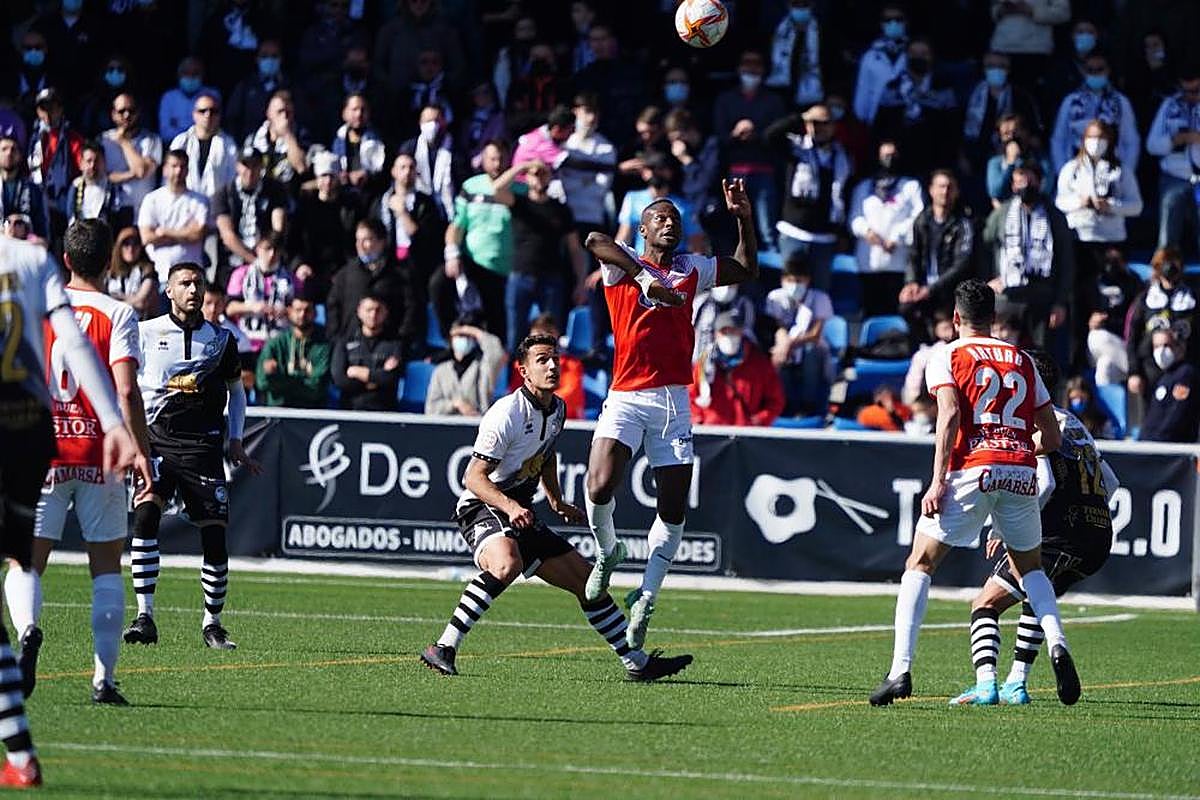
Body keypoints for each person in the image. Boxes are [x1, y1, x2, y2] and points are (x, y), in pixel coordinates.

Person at [419, 333, 692, 681]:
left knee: (587, 580)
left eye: (555, 359)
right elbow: (473, 478)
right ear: (523, 371)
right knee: (507, 565)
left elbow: (545, 457)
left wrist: (556, 500)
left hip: (520, 512)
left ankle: (637, 663)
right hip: (482, 507)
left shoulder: (557, 408)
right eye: (542, 360)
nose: (552, 366)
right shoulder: (506, 414)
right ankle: (443, 647)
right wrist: (511, 507)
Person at [869, 279, 1079, 708]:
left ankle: (899, 671)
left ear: (957, 318)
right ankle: (1057, 642)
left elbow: (947, 415)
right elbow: (1053, 438)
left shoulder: (945, 354)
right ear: (994, 318)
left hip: (971, 468)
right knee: (1032, 569)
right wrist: (1016, 449)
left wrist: (938, 479)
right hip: (1019, 471)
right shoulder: (1022, 358)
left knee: (921, 563)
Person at [582, 179, 757, 649]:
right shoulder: (625, 268)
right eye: (660, 218)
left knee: (673, 507)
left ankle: (646, 596)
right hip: (625, 396)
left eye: (675, 219)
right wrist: (644, 279)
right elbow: (593, 241)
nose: (669, 223)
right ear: (642, 230)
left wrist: (743, 216)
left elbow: (744, 267)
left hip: (673, 402)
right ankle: (607, 552)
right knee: (599, 485)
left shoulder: (690, 268)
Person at [0, 222, 139, 787]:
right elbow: (82, 350)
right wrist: (113, 424)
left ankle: (29, 631)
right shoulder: (34, 263)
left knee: (24, 563)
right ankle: (94, 687)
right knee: (104, 562)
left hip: (31, 438)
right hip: (38, 431)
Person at [951, 348, 1116, 706]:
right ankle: (1017, 682)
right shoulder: (1076, 425)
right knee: (1038, 599)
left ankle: (986, 685)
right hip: (1099, 535)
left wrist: (1004, 529)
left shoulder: (1033, 425)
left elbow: (1043, 485)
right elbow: (1112, 482)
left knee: (985, 604)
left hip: (1058, 533)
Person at [124, 262, 260, 651]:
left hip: (203, 449)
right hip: (157, 443)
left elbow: (237, 392)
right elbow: (127, 386)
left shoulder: (221, 339)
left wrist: (235, 440)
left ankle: (212, 624)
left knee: (215, 536)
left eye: (198, 283)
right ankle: (145, 615)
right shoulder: (144, 333)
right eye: (184, 283)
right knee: (147, 514)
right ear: (169, 290)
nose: (193, 290)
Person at [1054, 119, 1143, 369]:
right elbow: (1059, 202)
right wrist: (1080, 201)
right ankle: (1076, 362)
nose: (1096, 143)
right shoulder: (1071, 169)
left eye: (1102, 137)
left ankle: (1115, 352)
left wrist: (1111, 206)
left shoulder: (1120, 170)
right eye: (1092, 137)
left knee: (1111, 297)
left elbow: (1136, 206)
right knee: (1079, 299)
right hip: (1081, 241)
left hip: (1112, 241)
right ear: (1083, 139)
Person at [495, 159, 587, 351]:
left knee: (550, 335)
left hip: (551, 279)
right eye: (534, 174)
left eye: (543, 173)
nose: (538, 177)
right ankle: (516, 378)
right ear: (527, 178)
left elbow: (575, 249)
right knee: (515, 336)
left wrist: (580, 282)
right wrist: (521, 167)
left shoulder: (561, 209)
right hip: (520, 275)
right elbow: (496, 190)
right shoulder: (518, 203)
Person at [982, 159, 1073, 347]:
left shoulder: (1054, 216)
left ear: (1039, 182)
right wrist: (988, 282)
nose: (1025, 184)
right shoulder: (1002, 214)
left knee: (1039, 357)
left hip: (1042, 294)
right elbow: (983, 248)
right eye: (1020, 178)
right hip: (1008, 294)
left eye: (1030, 179)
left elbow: (1066, 261)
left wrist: (1060, 302)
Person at [765, 103, 852, 293]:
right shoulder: (795, 148)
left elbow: (844, 194)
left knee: (819, 294)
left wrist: (841, 232)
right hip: (794, 234)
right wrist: (800, 117)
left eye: (824, 123)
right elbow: (770, 136)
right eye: (814, 123)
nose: (819, 128)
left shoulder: (842, 156)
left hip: (825, 238)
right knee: (791, 292)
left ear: (833, 126)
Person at [438, 140, 514, 343]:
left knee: (497, 323)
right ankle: (447, 339)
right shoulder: (470, 186)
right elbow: (457, 225)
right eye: (492, 159)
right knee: (437, 284)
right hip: (472, 262)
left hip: (503, 268)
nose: (497, 164)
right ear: (483, 160)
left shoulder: (518, 189)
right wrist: (452, 253)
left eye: (501, 158)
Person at [713, 51, 785, 248]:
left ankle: (773, 276)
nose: (751, 69)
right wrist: (735, 134)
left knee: (767, 230)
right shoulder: (726, 99)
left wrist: (758, 135)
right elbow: (719, 136)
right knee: (735, 230)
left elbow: (780, 136)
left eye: (756, 64)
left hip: (764, 171)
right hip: (734, 173)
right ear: (739, 68)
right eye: (747, 64)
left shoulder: (773, 101)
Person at [849, 140, 924, 318]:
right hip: (870, 261)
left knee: (896, 312)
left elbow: (918, 215)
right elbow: (854, 217)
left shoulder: (911, 186)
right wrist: (866, 231)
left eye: (893, 156)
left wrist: (897, 236)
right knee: (871, 310)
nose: (889, 160)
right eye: (885, 156)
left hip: (897, 260)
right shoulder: (864, 187)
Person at [900, 170, 975, 341]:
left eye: (950, 187)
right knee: (906, 307)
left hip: (951, 290)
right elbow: (913, 255)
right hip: (926, 288)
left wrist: (931, 289)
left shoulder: (963, 223)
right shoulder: (922, 221)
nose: (945, 192)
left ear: (956, 192)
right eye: (941, 186)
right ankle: (922, 347)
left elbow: (962, 264)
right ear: (931, 190)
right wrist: (911, 282)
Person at [327, 218, 420, 349]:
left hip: (388, 346)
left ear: (382, 241)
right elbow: (333, 306)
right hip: (351, 346)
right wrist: (336, 338)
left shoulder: (399, 273)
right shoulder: (346, 273)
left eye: (366, 240)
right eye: (357, 240)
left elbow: (411, 307)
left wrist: (402, 340)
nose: (360, 245)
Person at [1125, 248, 1197, 403]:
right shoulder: (1145, 299)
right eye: (1165, 262)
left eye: (1174, 262)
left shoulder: (1193, 299)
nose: (1169, 267)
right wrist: (1134, 372)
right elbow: (1131, 337)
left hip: (1184, 367)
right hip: (1150, 369)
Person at [1049, 53, 1139, 176]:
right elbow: (1058, 139)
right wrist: (1062, 171)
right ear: (1084, 72)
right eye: (1090, 70)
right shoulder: (1070, 101)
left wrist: (1126, 173)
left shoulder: (1121, 102)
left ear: (1108, 70)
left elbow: (1131, 141)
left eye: (1099, 69)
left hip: (1112, 169)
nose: (1095, 73)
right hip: (1076, 168)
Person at [765, 255, 834, 416]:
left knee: (810, 351)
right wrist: (783, 344)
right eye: (790, 280)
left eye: (799, 280)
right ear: (783, 280)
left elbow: (815, 334)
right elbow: (777, 326)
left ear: (807, 280)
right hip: (784, 345)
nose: (794, 285)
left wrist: (790, 344)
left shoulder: (819, 298)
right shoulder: (775, 297)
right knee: (776, 355)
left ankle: (808, 405)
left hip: (812, 347)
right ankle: (785, 403)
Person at [690, 311, 784, 427]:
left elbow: (775, 400)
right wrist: (699, 420)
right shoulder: (704, 363)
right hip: (712, 432)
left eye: (734, 331)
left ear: (741, 333)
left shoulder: (759, 363)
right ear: (716, 334)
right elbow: (690, 396)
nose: (729, 335)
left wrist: (760, 420)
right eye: (724, 331)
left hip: (746, 434)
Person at [1145, 70, 1200, 254]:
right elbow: (1152, 145)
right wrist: (1174, 140)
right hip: (1175, 176)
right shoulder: (1170, 105)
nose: (1191, 96)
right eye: (1186, 91)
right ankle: (1164, 277)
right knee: (1167, 237)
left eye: (1196, 91)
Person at [136, 150, 209, 283]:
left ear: (188, 170)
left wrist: (164, 232)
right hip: (161, 274)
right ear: (165, 169)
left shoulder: (200, 201)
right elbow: (146, 237)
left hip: (192, 276)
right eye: (174, 166)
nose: (178, 171)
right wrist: (185, 233)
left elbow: (197, 235)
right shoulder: (152, 199)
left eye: (182, 166)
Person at [212, 151, 288, 276]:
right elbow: (227, 235)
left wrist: (266, 254)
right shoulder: (224, 193)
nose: (250, 171)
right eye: (246, 165)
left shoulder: (275, 190)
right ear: (237, 166)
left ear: (261, 167)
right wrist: (254, 261)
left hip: (267, 258)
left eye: (255, 165)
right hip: (233, 261)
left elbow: (277, 228)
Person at [255, 295, 332, 409]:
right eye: (298, 310)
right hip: (279, 411)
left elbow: (317, 388)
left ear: (315, 313)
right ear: (289, 312)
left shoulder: (323, 345)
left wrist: (280, 379)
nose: (302, 314)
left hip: (313, 412)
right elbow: (262, 382)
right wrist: (303, 380)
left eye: (307, 310)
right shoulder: (276, 344)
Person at [225, 234, 296, 355]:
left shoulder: (290, 277)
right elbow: (229, 309)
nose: (272, 254)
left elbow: (299, 309)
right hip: (248, 339)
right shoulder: (242, 274)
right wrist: (252, 307)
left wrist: (285, 311)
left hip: (280, 339)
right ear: (258, 249)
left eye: (276, 250)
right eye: (267, 248)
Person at [331, 294, 403, 412]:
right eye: (369, 310)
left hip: (384, 411)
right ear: (359, 311)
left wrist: (359, 372)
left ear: (386, 313)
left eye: (378, 310)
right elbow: (339, 379)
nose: (373, 315)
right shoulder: (345, 341)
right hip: (350, 410)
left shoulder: (395, 344)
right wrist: (374, 381)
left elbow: (390, 378)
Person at [505, 313, 584, 420]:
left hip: (565, 424)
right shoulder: (520, 366)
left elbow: (572, 397)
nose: (542, 341)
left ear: (556, 334)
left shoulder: (572, 364)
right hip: (527, 422)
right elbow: (516, 395)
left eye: (548, 334)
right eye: (537, 336)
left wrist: (538, 401)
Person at [100, 93, 162, 230]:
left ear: (138, 112)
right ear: (113, 114)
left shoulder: (152, 140)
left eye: (131, 110)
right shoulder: (103, 140)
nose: (127, 115)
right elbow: (103, 176)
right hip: (111, 211)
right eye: (121, 111)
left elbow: (141, 171)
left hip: (141, 215)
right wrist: (130, 175)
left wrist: (123, 142)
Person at [425, 314, 506, 417]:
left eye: (467, 336)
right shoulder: (440, 371)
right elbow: (431, 408)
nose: (463, 339)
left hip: (477, 424)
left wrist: (473, 331)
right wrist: (455, 404)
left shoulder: (483, 367)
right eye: (459, 335)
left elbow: (496, 353)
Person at [1085, 248, 1142, 387]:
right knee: (1096, 336)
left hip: (1124, 345)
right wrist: (1091, 321)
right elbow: (1080, 320)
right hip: (1097, 344)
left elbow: (1138, 319)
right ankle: (1137, 372)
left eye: (1116, 260)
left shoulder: (1133, 282)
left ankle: (1135, 371)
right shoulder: (1094, 282)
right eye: (1108, 260)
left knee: (1105, 367)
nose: (1112, 265)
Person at [169, 93, 239, 204]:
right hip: (185, 206)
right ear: (194, 114)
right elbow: (169, 177)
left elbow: (232, 180)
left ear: (220, 115)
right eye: (202, 111)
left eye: (213, 111)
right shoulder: (181, 141)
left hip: (217, 209)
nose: (208, 115)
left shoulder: (229, 144)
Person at [853, 4, 910, 129]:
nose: (893, 23)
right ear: (881, 24)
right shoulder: (870, 55)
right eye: (888, 20)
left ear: (905, 22)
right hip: (879, 118)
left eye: (898, 19)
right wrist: (861, 119)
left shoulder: (914, 51)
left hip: (908, 116)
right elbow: (863, 89)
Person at [242, 90, 309, 195]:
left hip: (288, 196)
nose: (285, 116)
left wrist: (287, 135)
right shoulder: (253, 139)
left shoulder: (301, 136)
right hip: (259, 196)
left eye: (288, 112)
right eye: (280, 111)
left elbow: (301, 167)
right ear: (269, 114)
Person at [1139, 328, 1198, 443]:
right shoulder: (1164, 376)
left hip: (1169, 448)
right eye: (1156, 346)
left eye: (1166, 345)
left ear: (1179, 347)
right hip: (1150, 444)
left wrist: (1158, 440)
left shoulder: (1185, 374)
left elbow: (1178, 412)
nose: (1161, 351)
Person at [766, 0, 824, 108]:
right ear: (788, 5)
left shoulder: (824, 32)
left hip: (813, 97)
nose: (801, 8)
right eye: (796, 4)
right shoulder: (774, 29)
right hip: (777, 92)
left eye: (805, 5)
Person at [331, 93, 386, 194]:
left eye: (363, 110)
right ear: (344, 113)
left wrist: (367, 175)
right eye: (354, 109)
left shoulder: (379, 141)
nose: (359, 114)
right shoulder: (335, 140)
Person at [158, 56, 219, 144]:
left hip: (207, 143)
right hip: (175, 145)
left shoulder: (212, 95)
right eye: (186, 73)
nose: (190, 77)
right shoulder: (169, 97)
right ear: (179, 75)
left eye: (195, 73)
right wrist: (195, 131)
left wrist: (179, 128)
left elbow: (214, 128)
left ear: (202, 75)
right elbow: (165, 133)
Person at [0, 135, 50, 242]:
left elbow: (43, 231)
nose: (9, 153)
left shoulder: (34, 190)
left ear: (20, 155)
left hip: (26, 248)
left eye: (13, 149)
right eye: (4, 149)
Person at [107, 227, 159, 319]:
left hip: (140, 323)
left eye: (135, 244)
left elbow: (142, 302)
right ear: (119, 247)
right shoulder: (110, 272)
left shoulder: (148, 270)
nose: (131, 249)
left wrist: (117, 298)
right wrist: (132, 299)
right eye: (126, 244)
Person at [65, 140, 119, 228]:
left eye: (97, 161)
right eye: (89, 161)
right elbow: (71, 218)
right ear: (81, 164)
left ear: (104, 162)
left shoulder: (111, 188)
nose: (92, 166)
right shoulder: (75, 187)